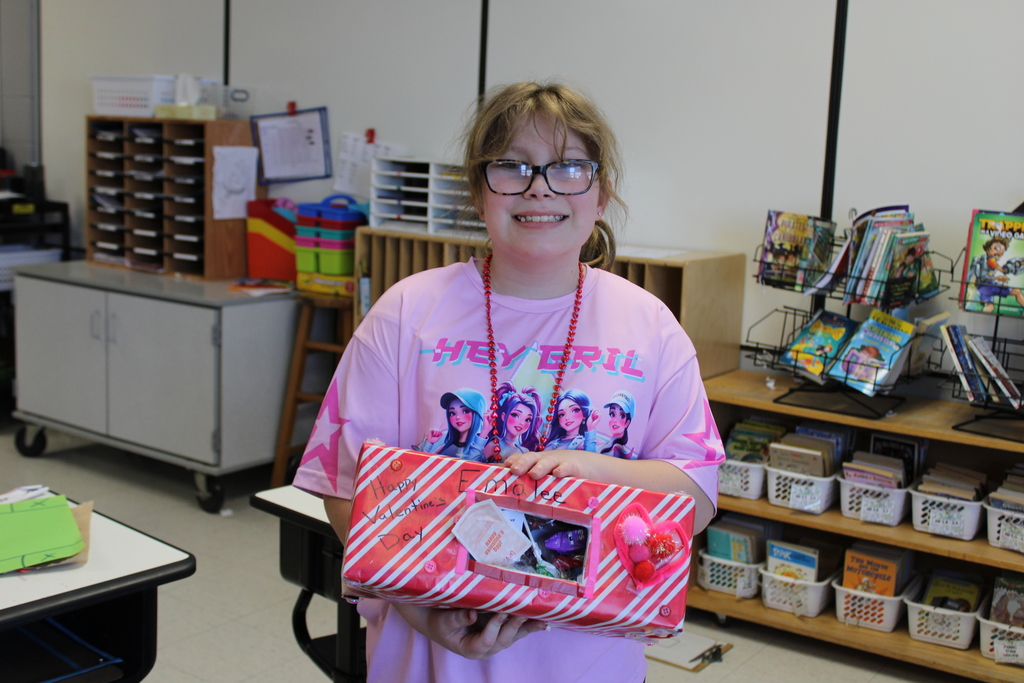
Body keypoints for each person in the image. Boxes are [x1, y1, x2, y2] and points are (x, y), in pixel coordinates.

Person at [293, 81, 724, 683]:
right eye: (512, 166)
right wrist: (419, 611)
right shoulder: (404, 312)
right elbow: (344, 484)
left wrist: (587, 472)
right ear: (477, 191)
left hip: (588, 662)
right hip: (426, 660)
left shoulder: (649, 326)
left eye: (569, 167)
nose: (539, 187)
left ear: (601, 194)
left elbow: (696, 495)